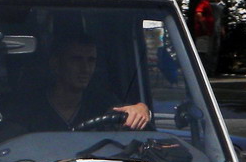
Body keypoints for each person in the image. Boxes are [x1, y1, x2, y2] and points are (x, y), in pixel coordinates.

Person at [15, 33, 151, 131]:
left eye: (91, 60)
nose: (85, 69)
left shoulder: (101, 103)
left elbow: (128, 111)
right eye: (76, 60)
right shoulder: (29, 108)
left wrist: (141, 109)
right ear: (56, 63)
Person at [193, 0, 224, 76]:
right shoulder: (203, 3)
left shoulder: (208, 4)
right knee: (203, 52)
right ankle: (203, 71)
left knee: (208, 52)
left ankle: (209, 71)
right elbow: (199, 14)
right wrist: (204, 26)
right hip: (203, 33)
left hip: (208, 32)